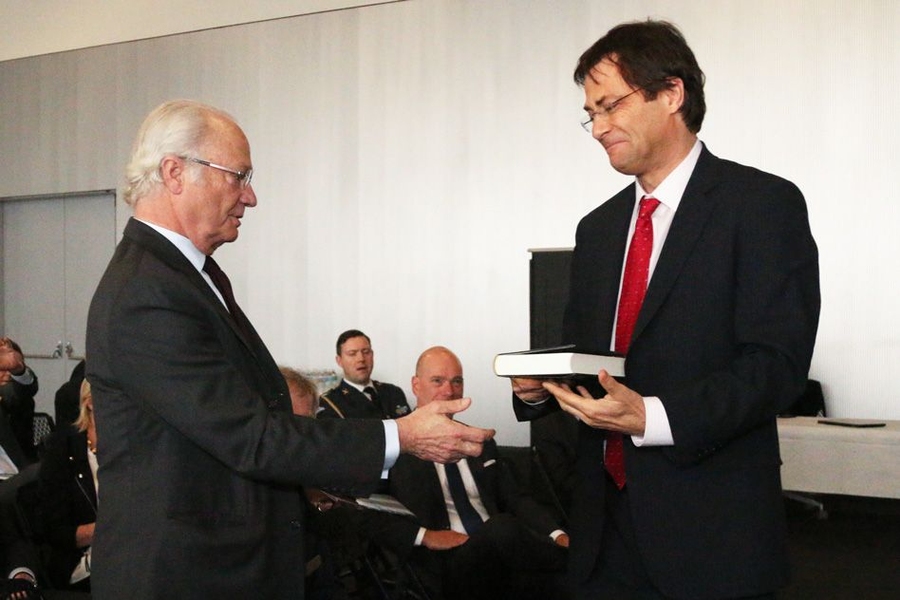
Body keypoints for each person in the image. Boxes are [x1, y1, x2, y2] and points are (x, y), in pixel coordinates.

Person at [85, 99, 494, 599]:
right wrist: (400, 436)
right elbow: (250, 437)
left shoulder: (188, 275)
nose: (250, 196)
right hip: (185, 574)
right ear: (174, 172)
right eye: (238, 176)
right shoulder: (146, 293)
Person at [511, 20, 820, 600]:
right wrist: (536, 387)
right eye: (590, 113)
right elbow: (587, 354)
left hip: (713, 538)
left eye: (610, 105)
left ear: (671, 94)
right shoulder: (597, 230)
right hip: (602, 536)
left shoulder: (762, 205)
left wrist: (653, 417)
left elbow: (775, 366)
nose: (598, 127)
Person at [382, 346, 569, 600]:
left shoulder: (477, 440)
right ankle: (577, 566)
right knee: (502, 529)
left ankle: (573, 562)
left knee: (514, 544)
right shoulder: (395, 445)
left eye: (456, 381)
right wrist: (425, 536)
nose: (448, 391)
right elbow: (369, 509)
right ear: (416, 385)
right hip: (444, 561)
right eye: (437, 381)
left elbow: (515, 498)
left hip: (500, 552)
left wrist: (556, 534)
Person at [38, 379, 97, 592]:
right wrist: (111, 530)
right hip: (80, 561)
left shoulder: (132, 447)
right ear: (89, 402)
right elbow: (55, 532)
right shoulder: (62, 450)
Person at [320, 330, 411, 420]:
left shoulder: (393, 392)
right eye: (352, 354)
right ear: (339, 361)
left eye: (366, 352)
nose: (361, 359)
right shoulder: (331, 402)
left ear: (372, 355)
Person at [0, 339, 39, 504]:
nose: (6, 373)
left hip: (14, 480)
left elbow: (16, 394)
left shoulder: (16, 399)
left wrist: (18, 370)